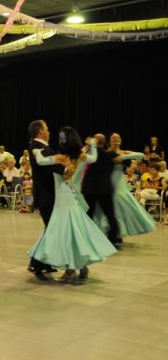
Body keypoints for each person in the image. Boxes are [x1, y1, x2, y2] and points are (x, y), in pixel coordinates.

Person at [27, 127, 117, 283]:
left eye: (61, 138)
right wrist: (93, 145)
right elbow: (93, 157)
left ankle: (70, 270)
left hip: (63, 197)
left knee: (65, 231)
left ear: (64, 141)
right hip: (73, 195)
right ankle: (81, 267)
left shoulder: (62, 157)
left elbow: (41, 161)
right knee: (75, 229)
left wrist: (36, 152)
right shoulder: (80, 155)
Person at [93, 132, 155, 239]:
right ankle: (108, 232)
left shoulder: (123, 152)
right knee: (108, 206)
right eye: (113, 137)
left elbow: (141, 155)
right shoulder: (106, 152)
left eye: (118, 137)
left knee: (120, 206)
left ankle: (117, 233)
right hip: (106, 181)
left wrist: (123, 156)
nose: (116, 138)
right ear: (109, 141)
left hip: (119, 182)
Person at [26, 119, 67, 281]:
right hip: (45, 195)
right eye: (47, 128)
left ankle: (43, 262)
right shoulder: (36, 146)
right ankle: (36, 264)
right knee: (51, 229)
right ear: (40, 132)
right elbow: (49, 165)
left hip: (49, 194)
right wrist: (65, 169)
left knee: (50, 229)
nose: (49, 131)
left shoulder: (43, 146)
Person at [81, 134, 122, 248]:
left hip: (89, 188)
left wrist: (87, 145)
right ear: (104, 143)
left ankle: (85, 237)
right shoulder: (111, 155)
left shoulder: (88, 154)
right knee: (110, 215)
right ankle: (114, 239)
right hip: (104, 189)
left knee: (89, 214)